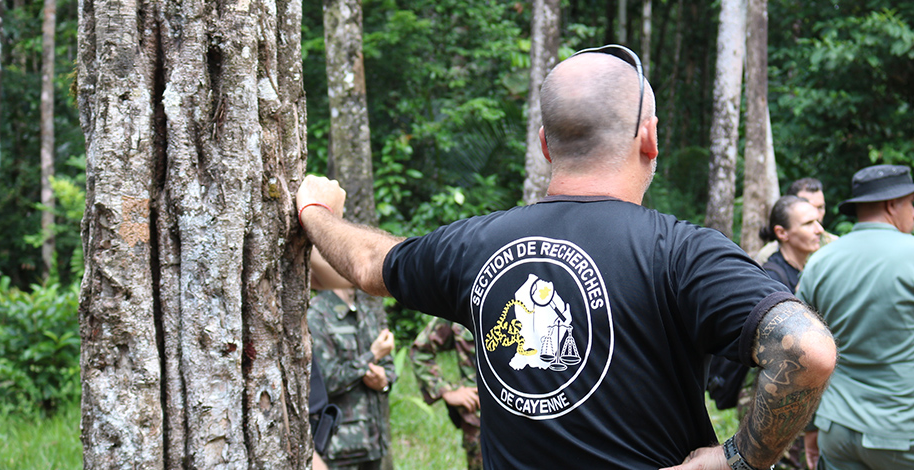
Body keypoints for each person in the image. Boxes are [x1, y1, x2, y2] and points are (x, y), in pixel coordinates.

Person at [297, 44, 837, 470]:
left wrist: (315, 210)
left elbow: (368, 263)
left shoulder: (477, 245)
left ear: (545, 145)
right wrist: (739, 458)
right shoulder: (682, 253)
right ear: (648, 139)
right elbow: (808, 350)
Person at [796, 164, 914, 470]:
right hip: (903, 434)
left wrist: (811, 428)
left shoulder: (819, 262)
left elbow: (799, 351)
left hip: (836, 431)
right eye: (911, 204)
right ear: (891, 204)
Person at [709, 195, 825, 469]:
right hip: (769, 394)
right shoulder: (772, 278)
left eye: (818, 220)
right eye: (808, 223)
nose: (819, 229)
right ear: (782, 233)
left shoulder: (806, 271)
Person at [308, 248, 398, 470]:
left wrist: (384, 381)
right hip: (340, 448)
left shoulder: (366, 311)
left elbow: (388, 367)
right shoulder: (317, 314)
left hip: (374, 442)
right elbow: (325, 382)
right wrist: (372, 355)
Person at [409, 316, 482, 470]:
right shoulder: (465, 300)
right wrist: (444, 389)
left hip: (532, 421)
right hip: (480, 423)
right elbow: (421, 350)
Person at [753, 178, 837, 264]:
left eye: (820, 208)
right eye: (807, 207)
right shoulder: (767, 257)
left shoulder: (835, 246)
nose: (816, 214)